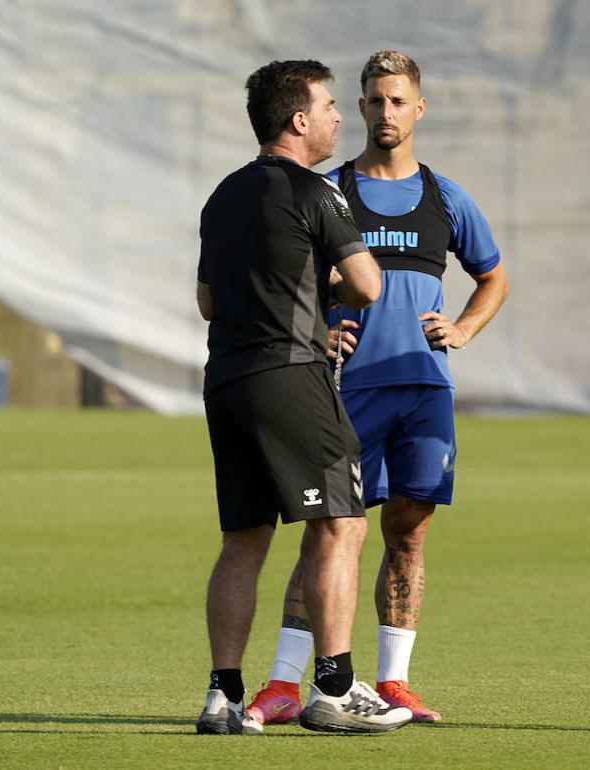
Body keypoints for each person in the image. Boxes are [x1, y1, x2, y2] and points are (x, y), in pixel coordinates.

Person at [246, 49, 509, 725]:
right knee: (325, 534)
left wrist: (463, 329)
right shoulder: (328, 191)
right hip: (342, 392)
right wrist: (319, 335)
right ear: (359, 107)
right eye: (373, 99)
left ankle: (393, 682)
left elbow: (495, 277)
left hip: (423, 389)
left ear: (418, 108)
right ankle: (282, 684)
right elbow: (294, 281)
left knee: (409, 533)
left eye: (398, 100)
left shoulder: (446, 197)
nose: (385, 111)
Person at [194, 59, 412, 736]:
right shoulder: (317, 192)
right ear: (297, 120)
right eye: (326, 106)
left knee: (244, 539)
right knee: (342, 523)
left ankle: (222, 696)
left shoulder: (223, 195)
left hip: (226, 379)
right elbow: (368, 284)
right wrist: (330, 297)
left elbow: (206, 301)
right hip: (291, 376)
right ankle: (336, 689)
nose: (338, 116)